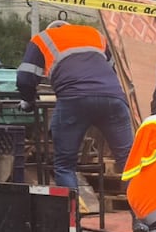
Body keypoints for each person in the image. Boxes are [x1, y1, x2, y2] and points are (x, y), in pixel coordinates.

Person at [18, 20, 133, 189]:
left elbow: (25, 79)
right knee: (129, 161)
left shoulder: (42, 39)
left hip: (73, 99)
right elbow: (111, 69)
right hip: (113, 98)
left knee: (65, 165)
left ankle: (71, 206)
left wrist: (28, 101)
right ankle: (141, 206)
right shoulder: (94, 34)